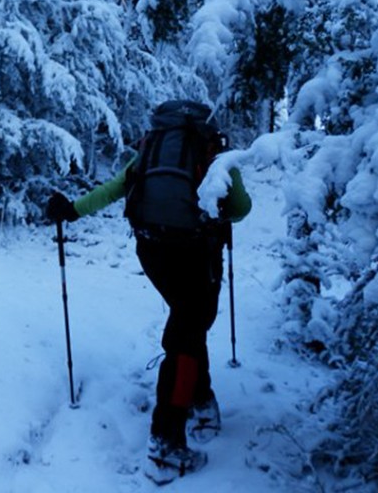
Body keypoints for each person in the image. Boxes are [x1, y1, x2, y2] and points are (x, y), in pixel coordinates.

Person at [46, 100, 251, 478]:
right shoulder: (213, 152)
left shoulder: (153, 148)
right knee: (185, 338)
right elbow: (240, 208)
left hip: (153, 251)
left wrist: (71, 210)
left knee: (187, 326)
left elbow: (115, 188)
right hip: (197, 253)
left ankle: (200, 399)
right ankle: (167, 443)